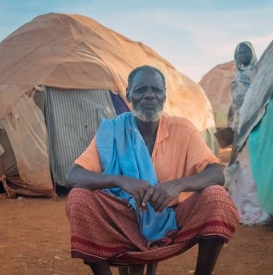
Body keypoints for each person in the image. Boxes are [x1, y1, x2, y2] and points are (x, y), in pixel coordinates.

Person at [64, 66, 239, 275]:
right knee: (78, 198)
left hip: (173, 217)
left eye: (156, 89)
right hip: (122, 218)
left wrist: (178, 185)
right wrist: (120, 180)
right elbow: (73, 176)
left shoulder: (183, 129)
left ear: (164, 94)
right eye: (141, 89)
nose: (149, 95)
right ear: (129, 94)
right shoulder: (113, 131)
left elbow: (216, 174)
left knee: (216, 196)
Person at [228, 41, 257, 165]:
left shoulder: (258, 72)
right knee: (238, 147)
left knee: (252, 146)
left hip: (254, 116)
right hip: (238, 117)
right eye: (239, 54)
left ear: (252, 54)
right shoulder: (237, 74)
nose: (242, 56)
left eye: (245, 52)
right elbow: (233, 98)